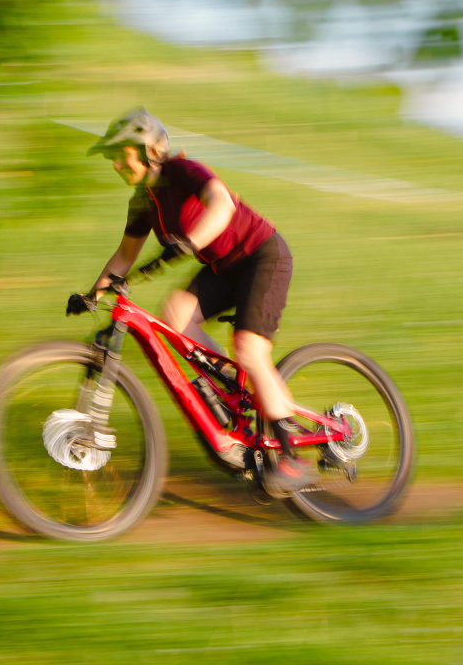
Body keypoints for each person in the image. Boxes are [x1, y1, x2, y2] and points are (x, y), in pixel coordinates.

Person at [68, 108, 317, 495]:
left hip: (261, 255)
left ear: (150, 149)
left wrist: (189, 242)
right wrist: (93, 294)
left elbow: (222, 205)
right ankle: (237, 390)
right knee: (176, 314)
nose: (115, 163)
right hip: (223, 267)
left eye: (122, 154)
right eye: (111, 158)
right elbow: (124, 257)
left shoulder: (184, 172)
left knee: (251, 349)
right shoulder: (143, 201)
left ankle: (291, 460)